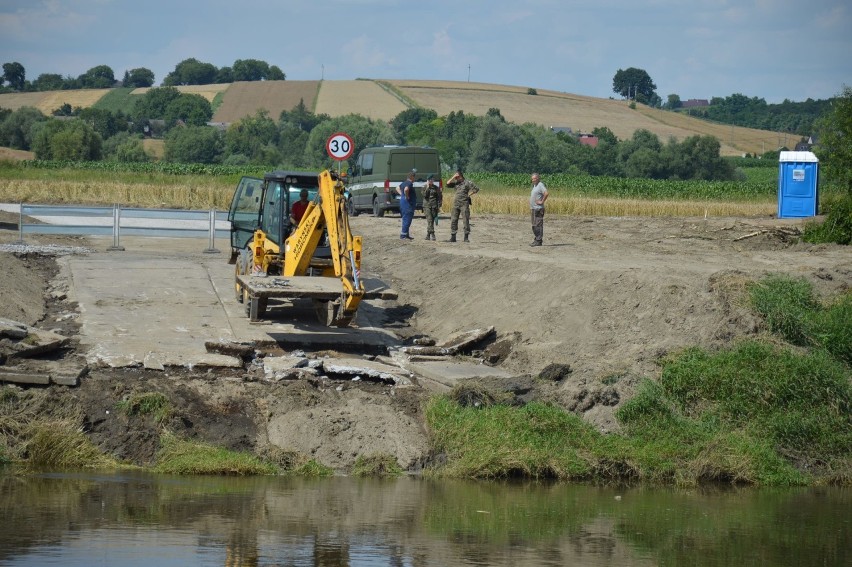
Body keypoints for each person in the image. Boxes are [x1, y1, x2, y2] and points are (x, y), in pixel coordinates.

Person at [446, 168, 479, 242]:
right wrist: (453, 177)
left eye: (457, 177)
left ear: (461, 176)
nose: (456, 179)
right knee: (454, 220)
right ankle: (453, 237)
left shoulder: (467, 183)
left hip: (464, 204)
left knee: (465, 220)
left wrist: (469, 195)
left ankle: (466, 237)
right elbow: (447, 184)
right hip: (456, 204)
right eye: (456, 178)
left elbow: (476, 189)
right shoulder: (456, 183)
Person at [529, 172, 548, 246]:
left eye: (535, 178)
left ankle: (539, 241)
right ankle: (537, 239)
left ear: (538, 178)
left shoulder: (540, 185)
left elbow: (546, 193)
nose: (533, 180)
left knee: (538, 225)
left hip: (538, 209)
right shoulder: (534, 185)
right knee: (534, 225)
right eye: (532, 179)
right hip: (534, 208)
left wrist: (542, 201)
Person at [421, 174, 442, 240]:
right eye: (430, 180)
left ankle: (428, 235)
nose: (431, 181)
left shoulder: (436, 188)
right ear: (427, 180)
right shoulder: (424, 187)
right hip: (427, 206)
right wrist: (427, 187)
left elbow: (439, 197)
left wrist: (439, 206)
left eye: (432, 180)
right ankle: (432, 234)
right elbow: (425, 195)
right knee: (429, 219)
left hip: (434, 206)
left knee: (432, 220)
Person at [397, 170, 416, 240]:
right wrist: (406, 195)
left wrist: (402, 194)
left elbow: (397, 188)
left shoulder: (403, 183)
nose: (415, 179)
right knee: (407, 219)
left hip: (403, 203)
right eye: (414, 177)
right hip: (408, 204)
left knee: (405, 219)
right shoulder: (409, 183)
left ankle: (406, 234)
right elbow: (406, 189)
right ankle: (403, 236)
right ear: (411, 177)